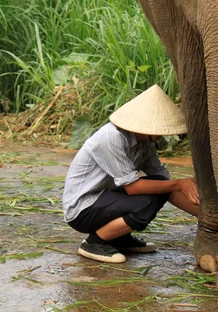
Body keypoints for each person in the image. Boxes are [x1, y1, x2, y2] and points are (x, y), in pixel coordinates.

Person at [63, 85, 198, 263]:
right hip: (83, 207)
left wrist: (208, 218)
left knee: (158, 184)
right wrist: (179, 184)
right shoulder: (111, 138)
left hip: (106, 197)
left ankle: (118, 237)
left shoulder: (144, 143)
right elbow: (133, 188)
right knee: (144, 203)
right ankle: (94, 242)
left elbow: (164, 182)